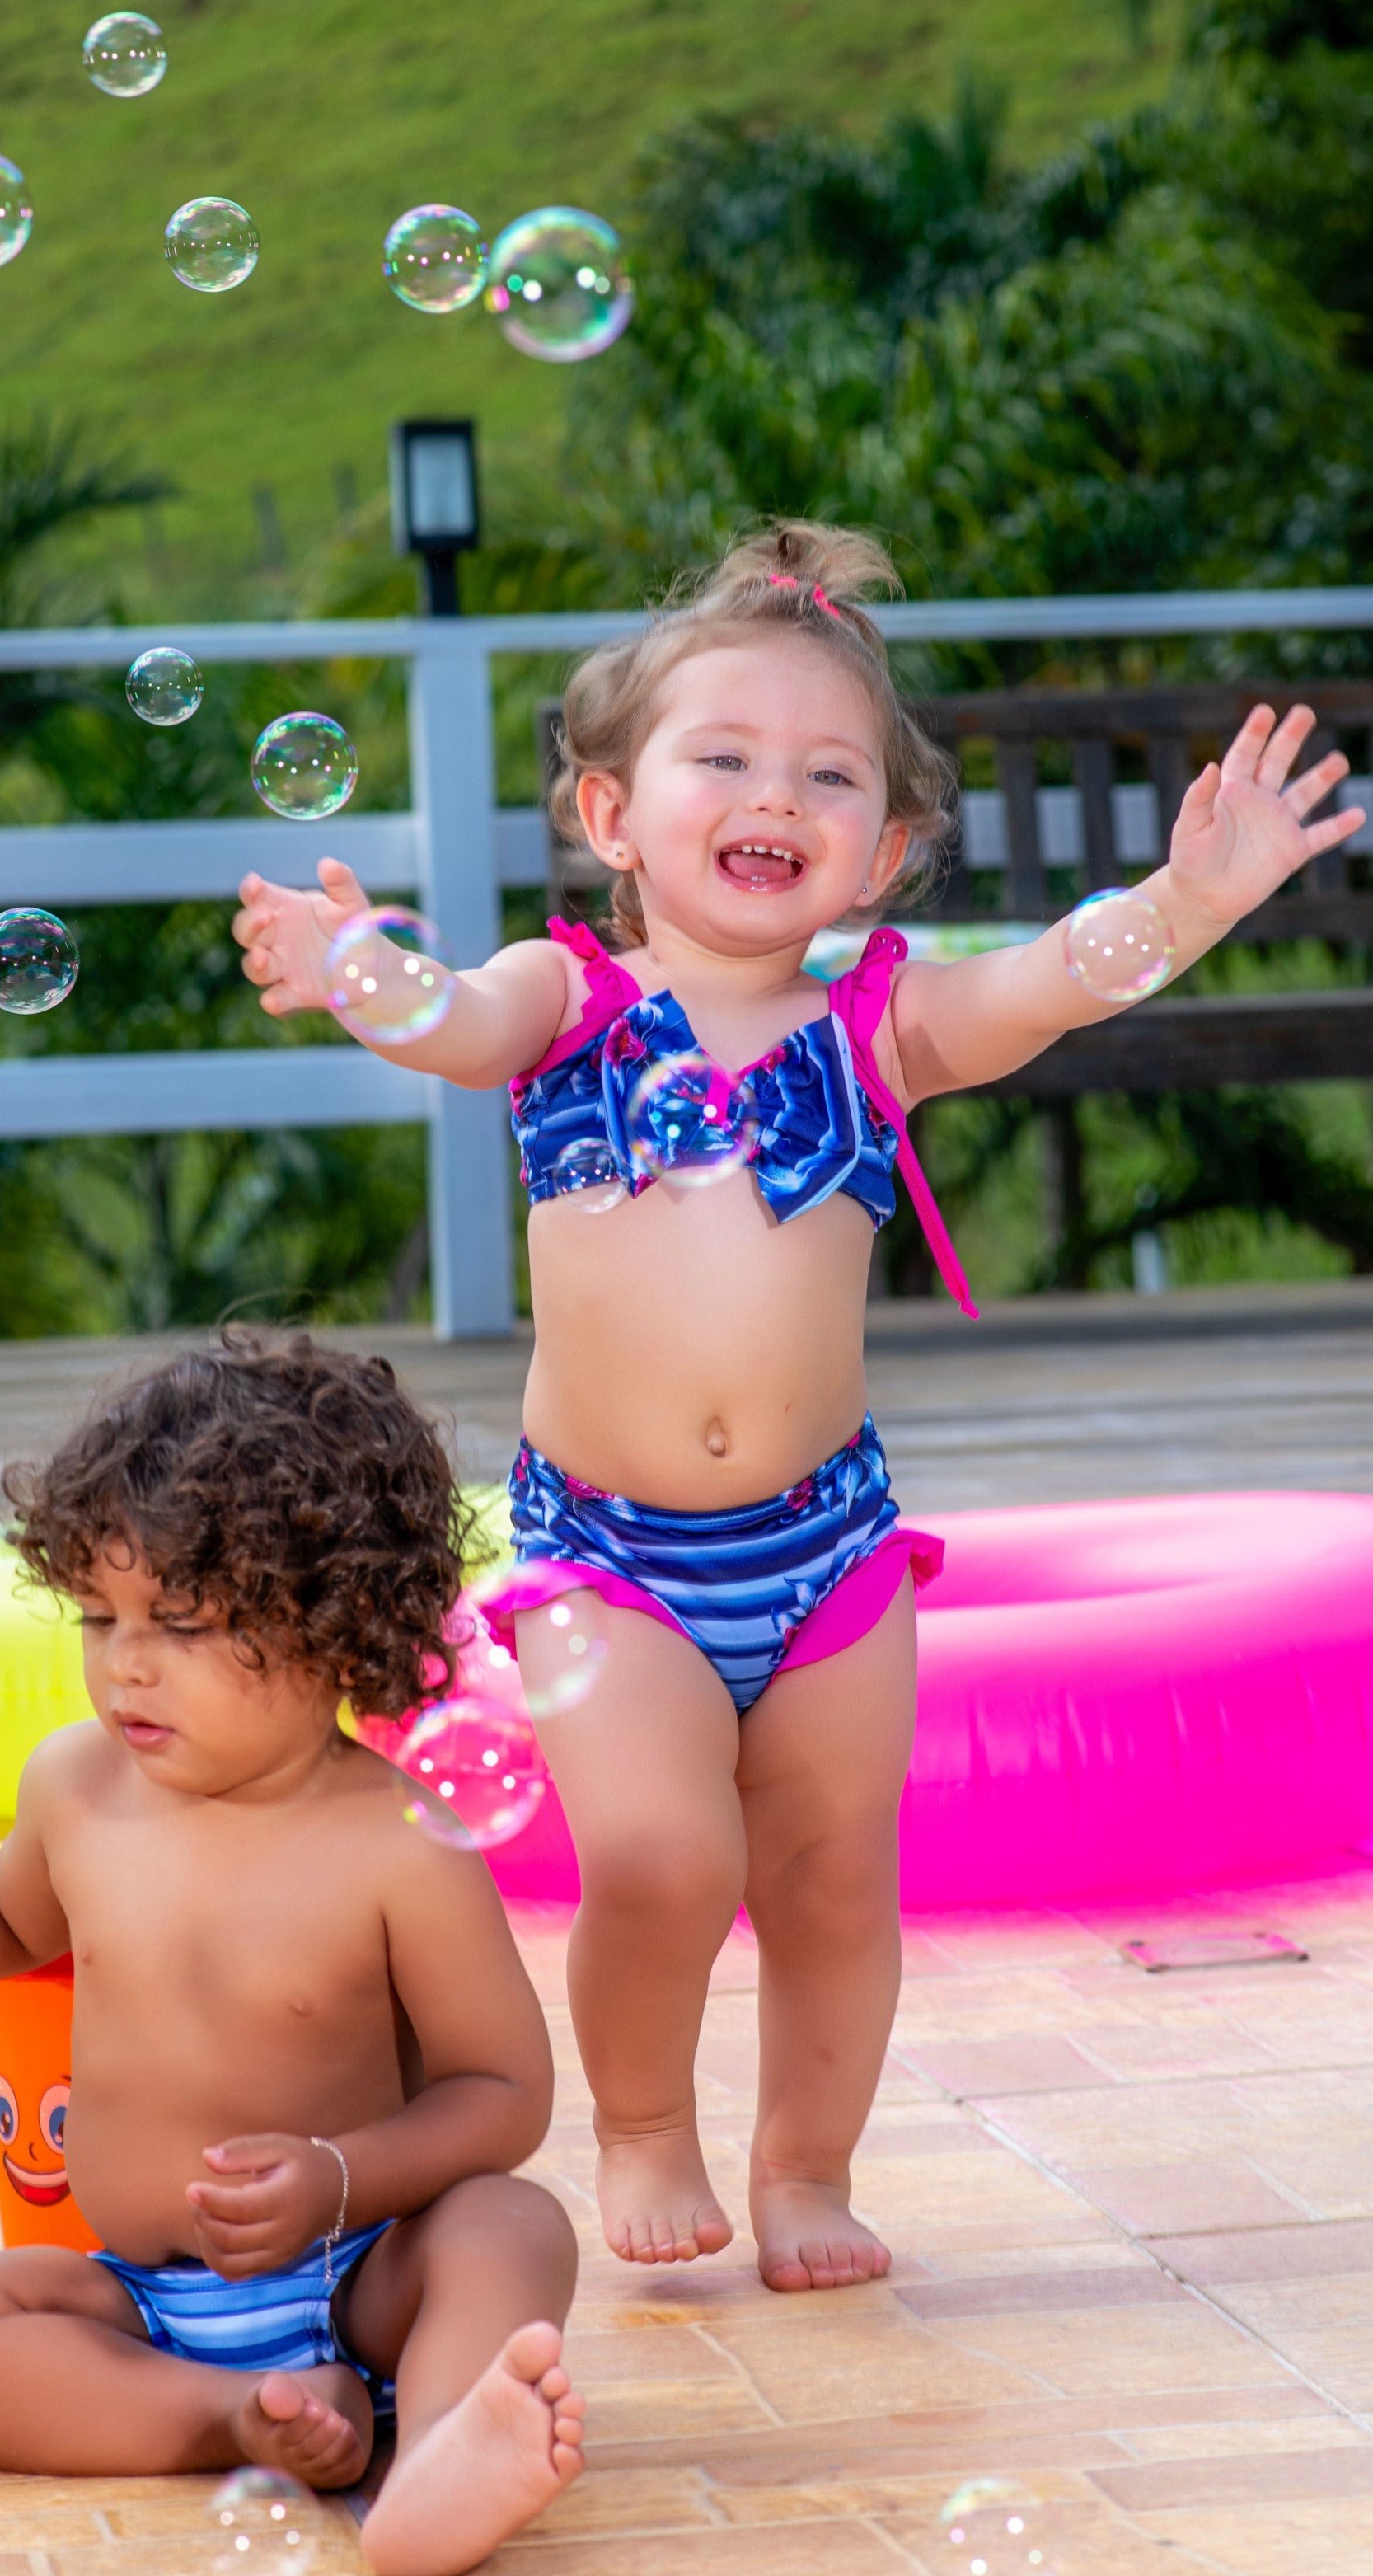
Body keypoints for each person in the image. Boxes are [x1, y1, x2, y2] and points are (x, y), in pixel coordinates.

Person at [232, 522, 1363, 2292]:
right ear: (611, 814)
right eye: (725, 757)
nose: (777, 792)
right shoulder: (567, 1003)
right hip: (607, 1553)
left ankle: (806, 2163)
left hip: (826, 1545)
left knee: (836, 1880)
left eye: (827, 773)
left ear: (885, 850)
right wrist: (358, 970)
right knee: (669, 1853)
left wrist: (1195, 899)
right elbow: (446, 1018)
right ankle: (641, 2125)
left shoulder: (877, 1028)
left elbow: (1052, 981)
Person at [0, 1335, 583, 2576]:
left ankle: (435, 2453)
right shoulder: (78, 1789)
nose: (126, 1662)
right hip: (145, 2306)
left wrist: (340, 2174)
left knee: (511, 2227)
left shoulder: (395, 1844)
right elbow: (3, 1921)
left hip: (363, 2274)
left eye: (183, 1622)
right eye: (100, 1617)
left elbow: (502, 2095)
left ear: (336, 1622)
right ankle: (229, 2423)